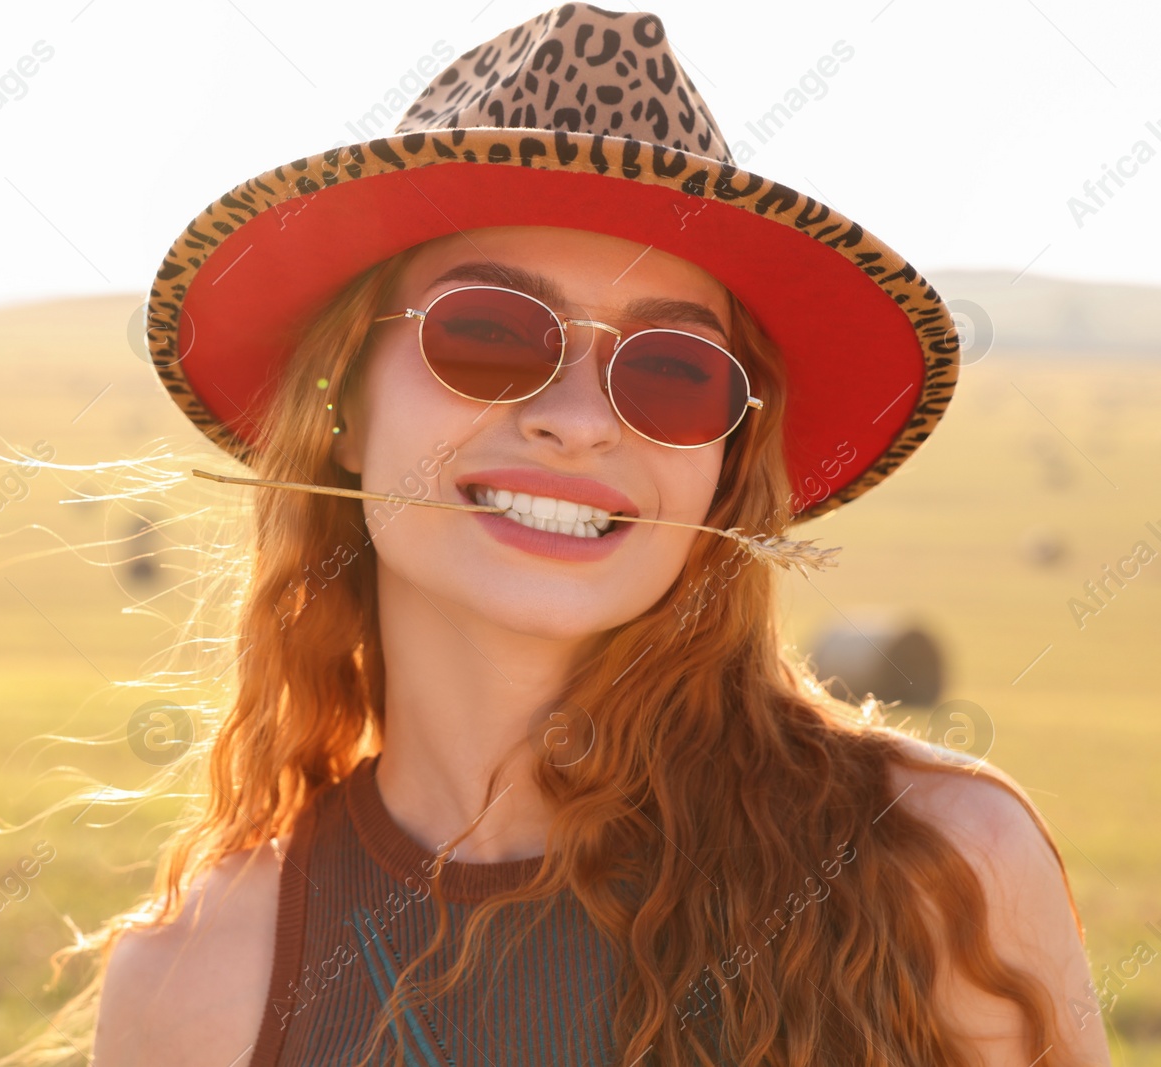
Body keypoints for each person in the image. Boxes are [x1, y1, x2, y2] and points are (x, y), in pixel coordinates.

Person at [68, 6, 1109, 1066]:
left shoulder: (937, 865)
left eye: (672, 371)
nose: (579, 418)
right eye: (484, 334)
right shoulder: (197, 979)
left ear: (726, 467)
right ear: (341, 403)